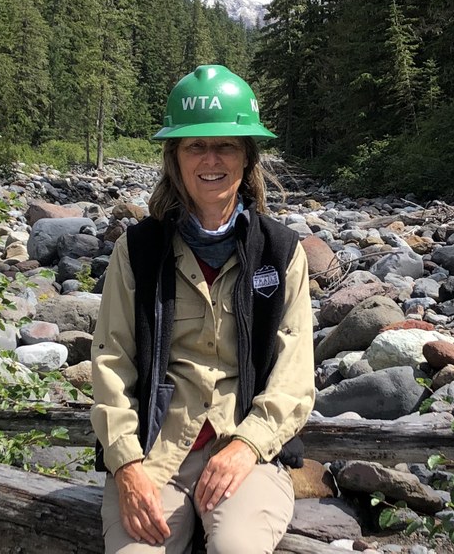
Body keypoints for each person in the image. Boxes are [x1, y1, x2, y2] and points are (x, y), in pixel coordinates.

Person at [91, 64, 315, 554]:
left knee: (236, 546)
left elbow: (295, 376)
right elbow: (111, 364)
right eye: (195, 146)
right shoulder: (139, 252)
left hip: (247, 454)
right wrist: (126, 465)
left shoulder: (280, 252)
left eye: (226, 145)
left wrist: (249, 444)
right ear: (175, 158)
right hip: (154, 452)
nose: (210, 159)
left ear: (247, 158)